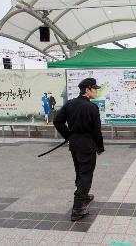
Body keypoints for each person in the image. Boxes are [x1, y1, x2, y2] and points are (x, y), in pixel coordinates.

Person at [53, 78, 105, 221]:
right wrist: (100, 147)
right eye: (95, 89)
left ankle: (84, 197)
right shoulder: (92, 108)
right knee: (86, 175)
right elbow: (96, 131)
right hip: (88, 145)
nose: (96, 91)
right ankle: (77, 209)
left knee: (80, 172)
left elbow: (57, 121)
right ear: (87, 90)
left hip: (75, 145)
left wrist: (69, 136)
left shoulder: (70, 104)